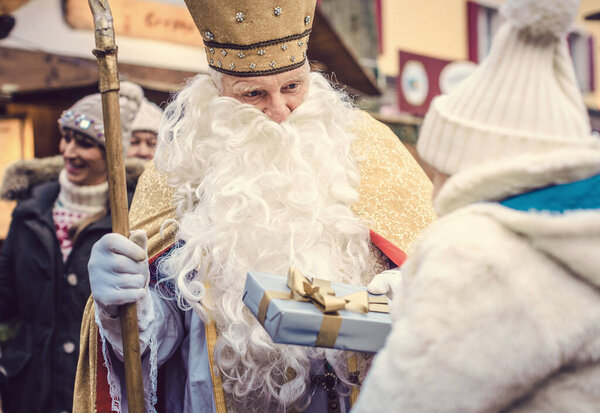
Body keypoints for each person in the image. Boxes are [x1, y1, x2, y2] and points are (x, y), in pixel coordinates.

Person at [74, 1, 437, 412]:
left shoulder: (370, 148)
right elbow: (160, 340)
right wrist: (124, 305)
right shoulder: (183, 166)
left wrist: (412, 292)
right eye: (254, 94)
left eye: (292, 88)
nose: (279, 113)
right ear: (218, 93)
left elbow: (438, 275)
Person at [353, 0, 600, 411]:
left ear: (472, 166)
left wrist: (445, 280)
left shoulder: (476, 252)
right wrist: (420, 281)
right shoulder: (576, 230)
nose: (433, 186)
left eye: (438, 169)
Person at [0, 82, 144, 413]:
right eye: (66, 137)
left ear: (111, 153)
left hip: (95, 386)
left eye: (85, 143)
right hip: (29, 385)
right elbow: (6, 298)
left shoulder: (129, 219)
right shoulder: (30, 209)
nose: (68, 151)